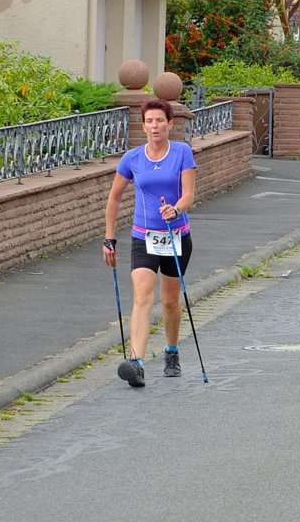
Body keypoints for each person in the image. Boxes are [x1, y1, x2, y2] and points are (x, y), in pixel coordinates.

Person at [103, 98, 196, 388]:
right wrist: (109, 238)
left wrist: (176, 209)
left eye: (160, 121)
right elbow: (115, 198)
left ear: (170, 124)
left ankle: (171, 352)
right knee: (143, 295)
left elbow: (189, 194)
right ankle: (137, 363)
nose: (155, 126)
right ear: (143, 126)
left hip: (175, 235)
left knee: (169, 301)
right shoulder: (132, 159)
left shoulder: (181, 152)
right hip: (143, 236)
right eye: (149, 121)